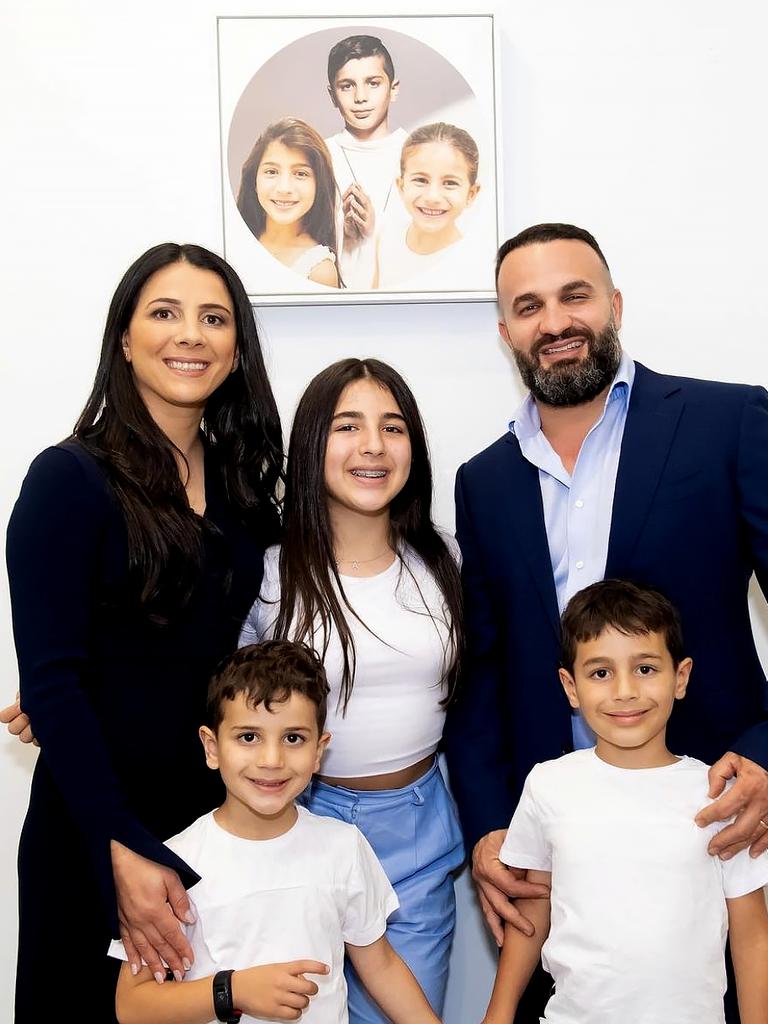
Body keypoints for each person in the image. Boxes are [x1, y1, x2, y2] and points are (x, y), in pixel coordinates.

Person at [445, 223, 768, 1022]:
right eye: (528, 306)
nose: (554, 321)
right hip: (558, 858)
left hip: (710, 821)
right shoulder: (483, 481)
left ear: (615, 303)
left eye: (574, 295)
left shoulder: (729, 423)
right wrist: (490, 826)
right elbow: (482, 671)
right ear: (505, 332)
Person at [4, 242, 283, 1023]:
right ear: (124, 338)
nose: (190, 335)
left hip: (214, 825)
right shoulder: (68, 479)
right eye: (164, 313)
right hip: (95, 825)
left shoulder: (243, 489)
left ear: (236, 348)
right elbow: (55, 681)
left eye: (214, 318)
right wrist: (120, 848)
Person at [239, 357, 465, 1024]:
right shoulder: (268, 572)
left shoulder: (447, 559)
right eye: (347, 426)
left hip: (418, 832)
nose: (372, 446)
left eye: (392, 428)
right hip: (297, 821)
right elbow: (197, 678)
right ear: (311, 445)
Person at [112, 640, 443, 1024]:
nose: (272, 760)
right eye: (249, 737)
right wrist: (231, 991)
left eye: (293, 738)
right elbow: (133, 1005)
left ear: (319, 751)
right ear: (211, 746)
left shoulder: (343, 847)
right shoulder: (172, 865)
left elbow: (381, 966)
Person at [482, 580, 768, 1024]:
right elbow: (534, 905)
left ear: (682, 677)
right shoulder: (549, 784)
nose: (624, 691)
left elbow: (751, 935)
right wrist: (498, 1014)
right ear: (570, 686)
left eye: (646, 669)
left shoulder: (719, 797)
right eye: (600, 673)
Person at [324, 35, 407, 289]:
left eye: (373, 83)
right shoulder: (320, 154)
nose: (360, 97)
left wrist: (375, 227)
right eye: (347, 86)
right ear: (332, 95)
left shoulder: (418, 152)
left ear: (393, 89)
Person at [374, 122, 481, 290]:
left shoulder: (474, 265)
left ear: (471, 194)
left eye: (450, 183)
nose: (432, 197)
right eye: (421, 180)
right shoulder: (384, 238)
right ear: (401, 186)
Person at [236, 117, 340, 287]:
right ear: (253, 180)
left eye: (300, 174)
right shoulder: (237, 242)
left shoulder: (320, 270)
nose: (284, 188)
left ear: (318, 185)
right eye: (271, 171)